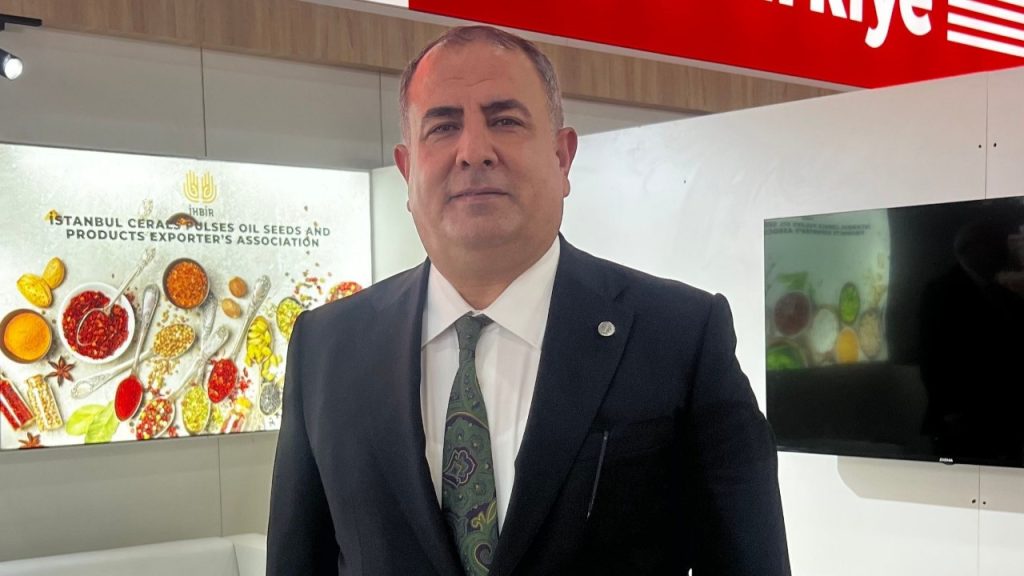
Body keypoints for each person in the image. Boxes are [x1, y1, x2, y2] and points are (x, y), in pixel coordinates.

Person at [267, 25, 790, 576]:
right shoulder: (327, 348)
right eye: (443, 127)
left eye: (505, 121)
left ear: (562, 158)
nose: (473, 151)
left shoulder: (679, 336)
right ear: (407, 170)